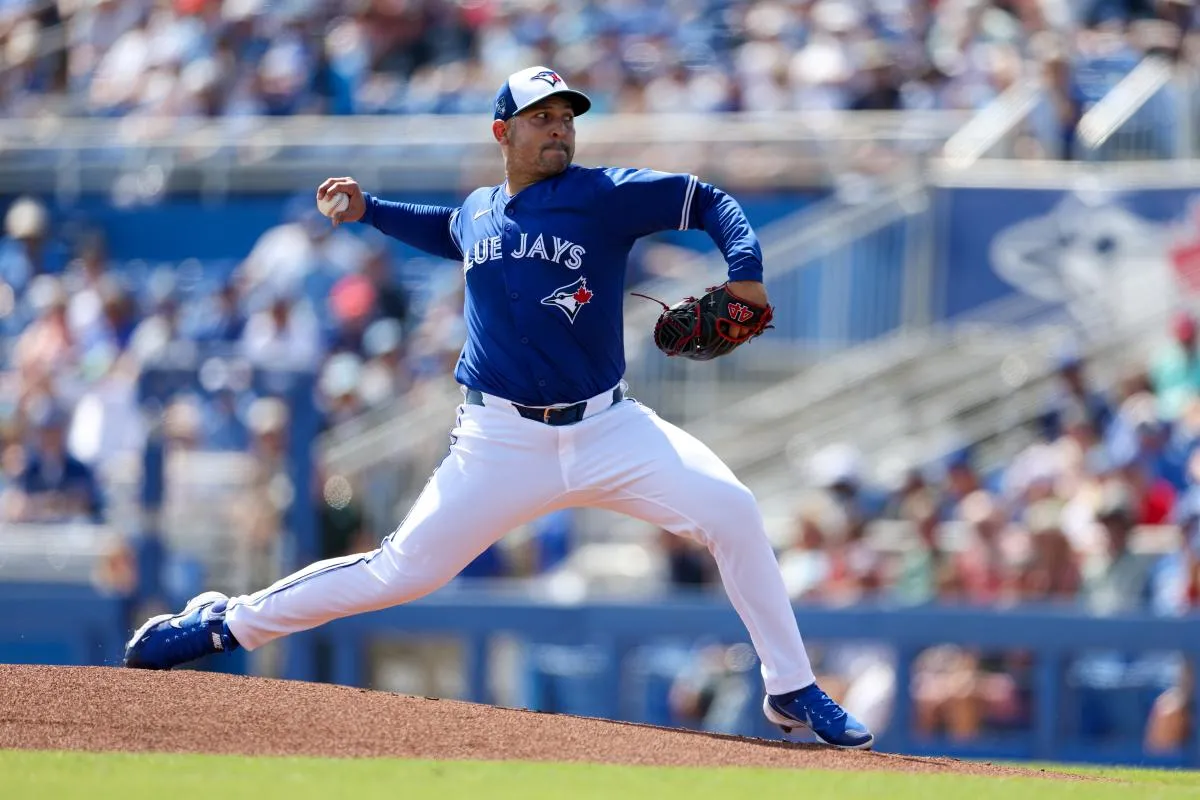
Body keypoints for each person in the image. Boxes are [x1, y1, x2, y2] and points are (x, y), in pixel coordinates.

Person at [122, 66, 873, 749]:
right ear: (502, 131)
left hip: (609, 427)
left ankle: (790, 688)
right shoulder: (480, 210)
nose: (559, 128)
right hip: (499, 442)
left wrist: (744, 270)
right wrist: (370, 210)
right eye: (541, 116)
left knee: (733, 509)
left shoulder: (601, 194)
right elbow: (447, 230)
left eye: (567, 117)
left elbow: (707, 200)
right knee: (400, 574)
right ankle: (224, 624)